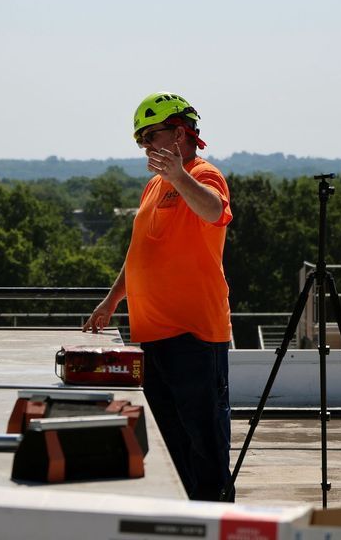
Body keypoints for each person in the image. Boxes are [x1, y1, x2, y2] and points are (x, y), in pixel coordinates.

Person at [83, 92, 234, 501]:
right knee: (171, 448)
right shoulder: (153, 186)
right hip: (151, 337)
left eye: (151, 135)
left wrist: (179, 177)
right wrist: (113, 299)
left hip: (194, 337)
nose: (146, 146)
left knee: (207, 448)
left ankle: (216, 521)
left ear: (181, 133)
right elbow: (140, 253)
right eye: (141, 140)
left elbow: (213, 211)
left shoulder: (204, 175)